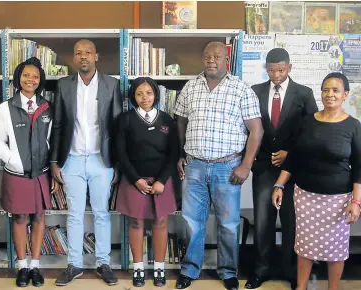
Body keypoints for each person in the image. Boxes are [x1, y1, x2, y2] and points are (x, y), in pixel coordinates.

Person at [174, 42, 264, 290]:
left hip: (228, 167)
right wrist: (181, 153)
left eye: (216, 56)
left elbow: (256, 130)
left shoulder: (241, 89)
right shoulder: (190, 87)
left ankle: (227, 272)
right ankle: (190, 270)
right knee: (192, 221)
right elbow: (180, 121)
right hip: (195, 166)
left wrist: (245, 165)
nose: (211, 60)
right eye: (206, 56)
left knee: (228, 223)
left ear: (227, 59)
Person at [272, 72, 361, 290]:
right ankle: (301, 287)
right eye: (326, 89)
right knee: (304, 246)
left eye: (336, 90)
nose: (330, 94)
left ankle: (333, 288)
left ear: (345, 95)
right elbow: (294, 157)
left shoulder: (353, 126)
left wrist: (356, 202)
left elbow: (359, 167)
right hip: (305, 196)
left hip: (338, 200)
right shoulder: (307, 122)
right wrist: (279, 184)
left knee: (336, 249)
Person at [50, 39, 123, 287]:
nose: (83, 57)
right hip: (71, 160)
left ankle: (104, 263)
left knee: (102, 213)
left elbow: (117, 127)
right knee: (74, 214)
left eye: (88, 53)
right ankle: (74, 265)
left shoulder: (111, 85)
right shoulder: (63, 86)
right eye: (78, 53)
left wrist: (116, 164)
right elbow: (58, 125)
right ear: (73, 58)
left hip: (101, 161)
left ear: (96, 56)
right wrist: (54, 161)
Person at [245, 48, 318, 290]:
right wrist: (252, 160)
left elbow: (311, 130)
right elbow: (250, 128)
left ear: (289, 68)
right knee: (263, 221)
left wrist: (290, 153)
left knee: (292, 221)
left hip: (294, 169)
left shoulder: (304, 93)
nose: (275, 75)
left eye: (280, 70)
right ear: (265, 68)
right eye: (271, 70)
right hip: (265, 166)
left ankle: (291, 270)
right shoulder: (255, 91)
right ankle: (260, 270)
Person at [0, 57, 51, 288]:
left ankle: (35, 266)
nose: (30, 80)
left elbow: (49, 139)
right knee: (20, 217)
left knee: (38, 216)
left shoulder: (46, 106)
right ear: (18, 79)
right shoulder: (5, 108)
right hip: (16, 173)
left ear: (40, 81)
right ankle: (22, 267)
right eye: (26, 75)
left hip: (41, 173)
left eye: (35, 76)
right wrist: (12, 160)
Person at [115, 77, 178, 287]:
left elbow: (174, 153)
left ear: (155, 95)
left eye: (149, 93)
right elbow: (120, 154)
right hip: (134, 180)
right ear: (133, 96)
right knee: (136, 222)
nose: (145, 98)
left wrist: (161, 180)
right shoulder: (125, 120)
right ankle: (138, 269)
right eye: (139, 93)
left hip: (162, 180)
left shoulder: (167, 120)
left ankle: (159, 269)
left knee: (160, 222)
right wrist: (136, 180)